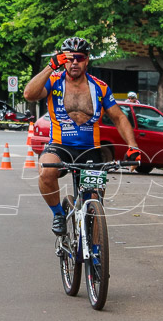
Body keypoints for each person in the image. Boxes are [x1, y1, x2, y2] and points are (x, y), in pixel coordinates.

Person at [23, 37, 141, 236]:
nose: (74, 62)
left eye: (80, 58)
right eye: (69, 58)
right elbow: (29, 94)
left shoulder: (100, 87)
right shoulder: (54, 81)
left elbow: (119, 118)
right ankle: (58, 214)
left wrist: (133, 146)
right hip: (60, 146)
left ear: (87, 60)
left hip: (90, 149)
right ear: (63, 59)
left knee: (94, 204)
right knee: (46, 171)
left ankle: (96, 256)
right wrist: (50, 66)